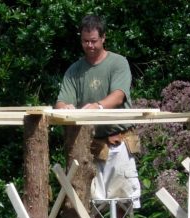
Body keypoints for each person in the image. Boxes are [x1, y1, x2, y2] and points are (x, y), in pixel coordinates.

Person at [56, 14, 141, 205]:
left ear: (103, 38)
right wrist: (66, 107)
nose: (90, 45)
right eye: (85, 41)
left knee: (121, 203)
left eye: (93, 41)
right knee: (91, 203)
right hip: (90, 147)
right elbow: (60, 102)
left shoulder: (118, 63)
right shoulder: (75, 70)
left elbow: (119, 95)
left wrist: (98, 106)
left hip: (118, 143)